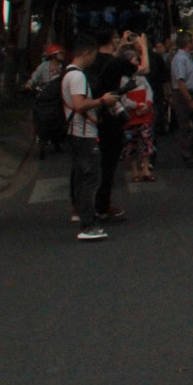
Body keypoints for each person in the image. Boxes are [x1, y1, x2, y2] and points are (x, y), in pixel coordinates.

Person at [63, 34, 120, 242]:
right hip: (84, 133)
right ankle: (88, 224)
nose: (95, 59)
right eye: (94, 54)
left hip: (76, 133)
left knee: (82, 177)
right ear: (86, 53)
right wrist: (101, 101)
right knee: (89, 178)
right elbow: (79, 104)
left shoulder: (68, 74)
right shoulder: (77, 76)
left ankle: (83, 215)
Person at [90, 29, 146, 223]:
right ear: (110, 41)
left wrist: (121, 45)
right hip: (110, 116)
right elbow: (144, 68)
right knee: (109, 164)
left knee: (97, 165)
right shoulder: (116, 62)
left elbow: (110, 61)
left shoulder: (93, 61)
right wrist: (143, 46)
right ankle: (102, 206)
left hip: (95, 116)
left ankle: (91, 205)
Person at [118, 47, 155, 182]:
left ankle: (145, 168)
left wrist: (148, 103)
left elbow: (149, 91)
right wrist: (138, 106)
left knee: (147, 141)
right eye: (134, 59)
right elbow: (123, 99)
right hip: (131, 116)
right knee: (130, 144)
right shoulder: (122, 80)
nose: (137, 62)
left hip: (145, 114)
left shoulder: (141, 78)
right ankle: (134, 170)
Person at [170, 31, 193, 167]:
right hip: (184, 94)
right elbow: (180, 81)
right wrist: (189, 100)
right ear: (187, 43)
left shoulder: (189, 58)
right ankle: (188, 155)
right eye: (192, 41)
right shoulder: (180, 59)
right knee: (185, 125)